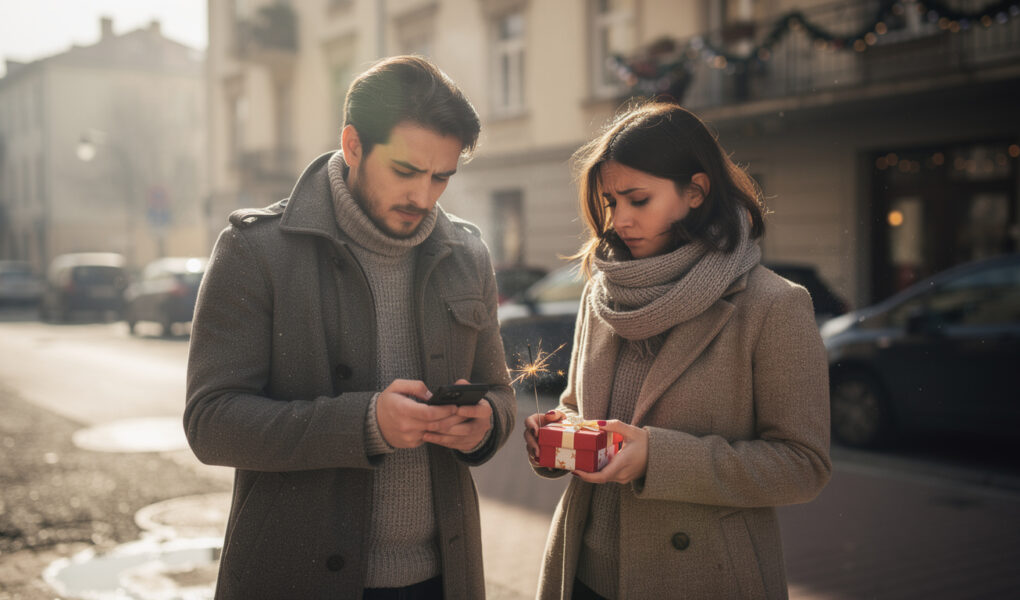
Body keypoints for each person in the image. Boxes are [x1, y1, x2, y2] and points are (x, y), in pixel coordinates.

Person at [186, 55, 515, 599]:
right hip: (295, 578)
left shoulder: (468, 254)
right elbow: (211, 422)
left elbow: (501, 393)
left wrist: (486, 424)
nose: (424, 196)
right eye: (406, 171)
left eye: (441, 177)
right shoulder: (255, 250)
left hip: (443, 580)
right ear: (354, 145)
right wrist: (364, 423)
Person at [524, 101, 831, 599]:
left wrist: (657, 458)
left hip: (701, 579)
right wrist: (555, 436)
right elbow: (580, 408)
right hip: (583, 573)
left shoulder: (775, 305)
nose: (618, 220)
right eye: (609, 201)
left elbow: (803, 465)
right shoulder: (601, 290)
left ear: (695, 191)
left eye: (637, 199)